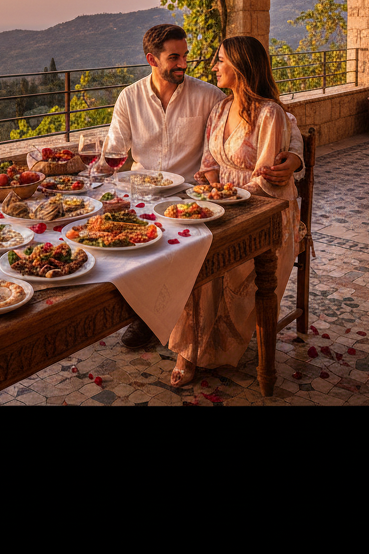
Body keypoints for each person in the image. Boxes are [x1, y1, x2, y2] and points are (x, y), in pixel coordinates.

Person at [105, 23, 304, 348]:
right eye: (175, 57)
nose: (184, 63)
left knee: (182, 250)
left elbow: (281, 118)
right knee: (115, 238)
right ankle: (142, 313)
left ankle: (165, 326)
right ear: (152, 60)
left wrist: (295, 156)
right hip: (142, 196)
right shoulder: (130, 98)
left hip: (192, 198)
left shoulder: (209, 96)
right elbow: (112, 152)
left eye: (185, 55)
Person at [166, 34, 303, 386]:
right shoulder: (221, 108)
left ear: (240, 67)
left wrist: (225, 198)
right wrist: (212, 187)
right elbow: (210, 162)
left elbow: (267, 180)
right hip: (224, 204)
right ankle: (193, 346)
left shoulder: (270, 114)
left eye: (220, 60)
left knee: (210, 253)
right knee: (189, 249)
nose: (213, 66)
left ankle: (199, 351)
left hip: (265, 212)